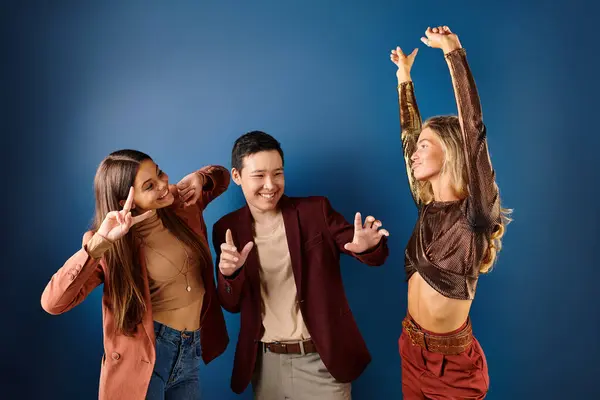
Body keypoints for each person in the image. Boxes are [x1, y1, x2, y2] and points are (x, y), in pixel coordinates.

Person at [41, 149, 230, 400]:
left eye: (160, 173)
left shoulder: (178, 202)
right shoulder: (108, 245)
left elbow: (223, 178)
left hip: (189, 351)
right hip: (146, 357)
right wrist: (99, 244)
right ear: (124, 201)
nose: (164, 184)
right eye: (150, 185)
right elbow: (53, 303)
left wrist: (201, 178)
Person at [212, 131, 389, 399]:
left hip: (321, 361)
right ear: (237, 176)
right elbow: (231, 304)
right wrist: (229, 274)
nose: (270, 185)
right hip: (266, 364)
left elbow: (366, 251)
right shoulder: (226, 229)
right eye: (259, 175)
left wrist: (368, 246)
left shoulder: (315, 211)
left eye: (278, 173)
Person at [390, 26, 511, 399]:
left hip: (453, 367)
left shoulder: (476, 214)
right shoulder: (427, 207)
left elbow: (474, 131)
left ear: (452, 152)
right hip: (411, 351)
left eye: (427, 145)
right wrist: (404, 80)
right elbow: (408, 136)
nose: (415, 152)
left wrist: (453, 54)